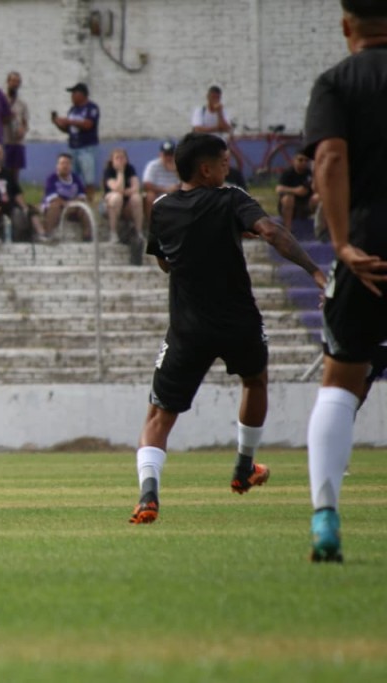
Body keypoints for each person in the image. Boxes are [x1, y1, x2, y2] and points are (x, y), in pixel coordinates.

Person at [128, 132, 326, 526]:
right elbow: (271, 231)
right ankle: (243, 468)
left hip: (187, 328)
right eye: (223, 162)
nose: (227, 168)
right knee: (254, 382)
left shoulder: (162, 207)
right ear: (205, 169)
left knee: (159, 416)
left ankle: (148, 496)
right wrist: (316, 272)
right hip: (239, 322)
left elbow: (166, 262)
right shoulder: (231, 198)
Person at [302, 0, 387, 563]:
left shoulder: (335, 82)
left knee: (341, 375)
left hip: (368, 239)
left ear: (345, 25)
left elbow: (330, 157)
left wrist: (339, 243)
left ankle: (327, 516)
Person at [51, 82, 100, 202]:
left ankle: (90, 201)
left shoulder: (91, 108)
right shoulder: (73, 110)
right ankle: (74, 200)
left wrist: (68, 121)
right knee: (72, 177)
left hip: (87, 148)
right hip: (72, 147)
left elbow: (88, 124)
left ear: (82, 94)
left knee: (89, 179)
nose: (71, 96)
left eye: (74, 93)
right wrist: (57, 123)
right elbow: (68, 130)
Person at [102, 147, 145, 262]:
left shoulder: (130, 169)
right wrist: (120, 172)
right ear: (112, 160)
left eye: (123, 157)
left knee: (137, 198)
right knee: (116, 198)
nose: (120, 160)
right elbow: (116, 188)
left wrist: (125, 191)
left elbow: (136, 187)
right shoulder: (109, 171)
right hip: (111, 205)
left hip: (127, 204)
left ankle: (138, 232)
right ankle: (113, 232)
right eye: (117, 158)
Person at [40, 152, 90, 242]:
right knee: (55, 206)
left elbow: (82, 195)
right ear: (57, 165)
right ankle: (48, 234)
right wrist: (66, 204)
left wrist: (72, 204)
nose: (65, 166)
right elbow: (53, 198)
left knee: (85, 208)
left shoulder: (75, 178)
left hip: (71, 206)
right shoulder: (52, 178)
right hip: (56, 207)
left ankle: (88, 236)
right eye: (62, 163)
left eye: (67, 163)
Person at [275, 153, 321, 235]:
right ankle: (288, 230)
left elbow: (304, 192)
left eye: (306, 160)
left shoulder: (309, 174)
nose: (303, 162)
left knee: (318, 198)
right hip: (289, 207)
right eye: (300, 160)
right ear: (294, 161)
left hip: (305, 205)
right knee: (288, 199)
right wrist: (294, 190)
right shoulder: (288, 173)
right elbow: (279, 189)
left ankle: (321, 229)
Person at [142, 140, 181, 226]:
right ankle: (151, 225)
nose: (168, 158)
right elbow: (146, 185)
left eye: (170, 155)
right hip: (158, 194)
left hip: (175, 195)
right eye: (166, 155)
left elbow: (185, 184)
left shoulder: (179, 166)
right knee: (149, 196)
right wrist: (165, 189)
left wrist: (176, 172)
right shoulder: (153, 165)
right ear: (161, 154)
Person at [3, 71, 30, 183]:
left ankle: (14, 195)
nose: (15, 84)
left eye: (17, 82)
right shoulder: (1, 101)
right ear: (8, 82)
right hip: (4, 141)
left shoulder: (22, 104)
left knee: (15, 172)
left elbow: (25, 123)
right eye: (13, 81)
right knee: (4, 170)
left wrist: (22, 131)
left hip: (17, 142)